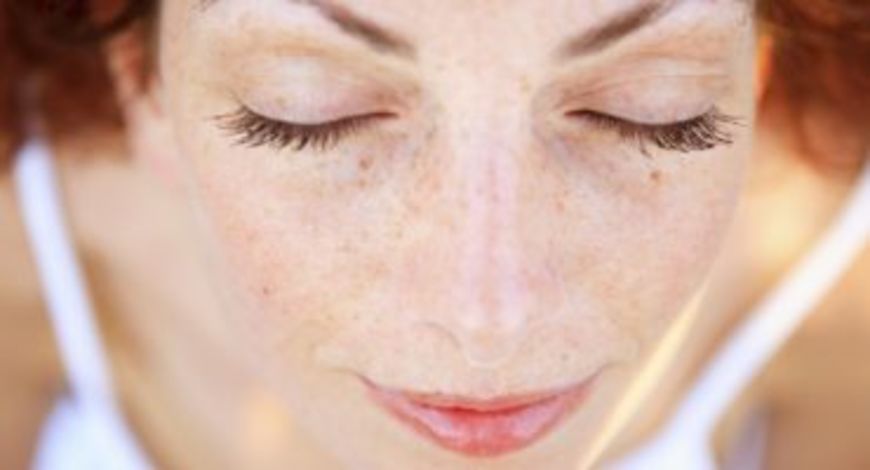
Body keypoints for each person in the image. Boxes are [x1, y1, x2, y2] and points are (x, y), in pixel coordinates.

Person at [1, 0, 868, 468]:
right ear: (144, 81)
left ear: (754, 72)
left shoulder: (835, 294)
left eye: (649, 107)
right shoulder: (23, 262)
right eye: (309, 110)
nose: (489, 326)